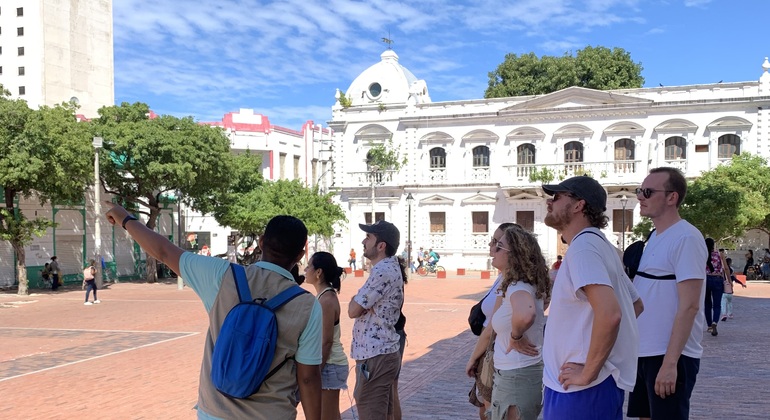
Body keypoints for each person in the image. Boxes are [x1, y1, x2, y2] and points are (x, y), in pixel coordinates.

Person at [104, 203, 323, 420]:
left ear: (261, 242)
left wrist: (125, 218)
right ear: (301, 254)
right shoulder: (307, 306)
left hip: (215, 412)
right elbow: (308, 379)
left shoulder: (223, 276)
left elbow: (163, 251)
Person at [541, 176, 644, 420]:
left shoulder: (584, 248)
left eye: (557, 197)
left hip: (581, 390)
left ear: (579, 205)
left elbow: (611, 314)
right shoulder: (601, 245)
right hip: (587, 387)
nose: (549, 202)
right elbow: (635, 305)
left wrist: (588, 371)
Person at [627, 167, 708, 420]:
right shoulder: (655, 237)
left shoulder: (686, 238)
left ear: (672, 198)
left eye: (648, 192)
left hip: (669, 354)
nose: (641, 197)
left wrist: (670, 363)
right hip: (646, 350)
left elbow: (690, 306)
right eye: (640, 191)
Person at [489, 224, 550, 420]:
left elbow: (526, 313)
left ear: (513, 255)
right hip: (515, 373)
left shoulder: (518, 286)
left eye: (499, 245)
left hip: (517, 376)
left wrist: (516, 336)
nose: (493, 249)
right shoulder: (522, 284)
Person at [348, 220, 404, 420]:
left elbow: (353, 309)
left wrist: (356, 299)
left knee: (371, 411)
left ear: (381, 246)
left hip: (376, 354)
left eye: (368, 237)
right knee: (382, 412)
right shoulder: (386, 269)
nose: (364, 241)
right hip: (379, 352)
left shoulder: (382, 272)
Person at [465, 222, 516, 420]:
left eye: (497, 242)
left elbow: (493, 327)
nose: (491, 246)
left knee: (492, 410)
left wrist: (473, 358)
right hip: (489, 350)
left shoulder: (512, 281)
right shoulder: (503, 276)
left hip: (494, 350)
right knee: (486, 409)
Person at [304, 252, 348, 420]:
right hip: (328, 362)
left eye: (309, 266)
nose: (306, 270)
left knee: (327, 415)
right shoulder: (323, 296)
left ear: (318, 272)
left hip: (329, 363)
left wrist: (316, 369)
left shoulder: (326, 300)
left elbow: (326, 340)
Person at [703, 239, 725, 337]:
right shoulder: (719, 255)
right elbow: (726, 268)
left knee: (707, 304)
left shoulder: (702, 255)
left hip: (706, 279)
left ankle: (709, 325)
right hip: (717, 279)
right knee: (717, 305)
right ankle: (715, 322)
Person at [720, 257, 745, 322]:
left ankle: (724, 314)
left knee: (723, 303)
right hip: (730, 292)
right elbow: (737, 280)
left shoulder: (723, 277)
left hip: (724, 292)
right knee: (729, 303)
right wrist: (742, 284)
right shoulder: (732, 277)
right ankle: (730, 314)